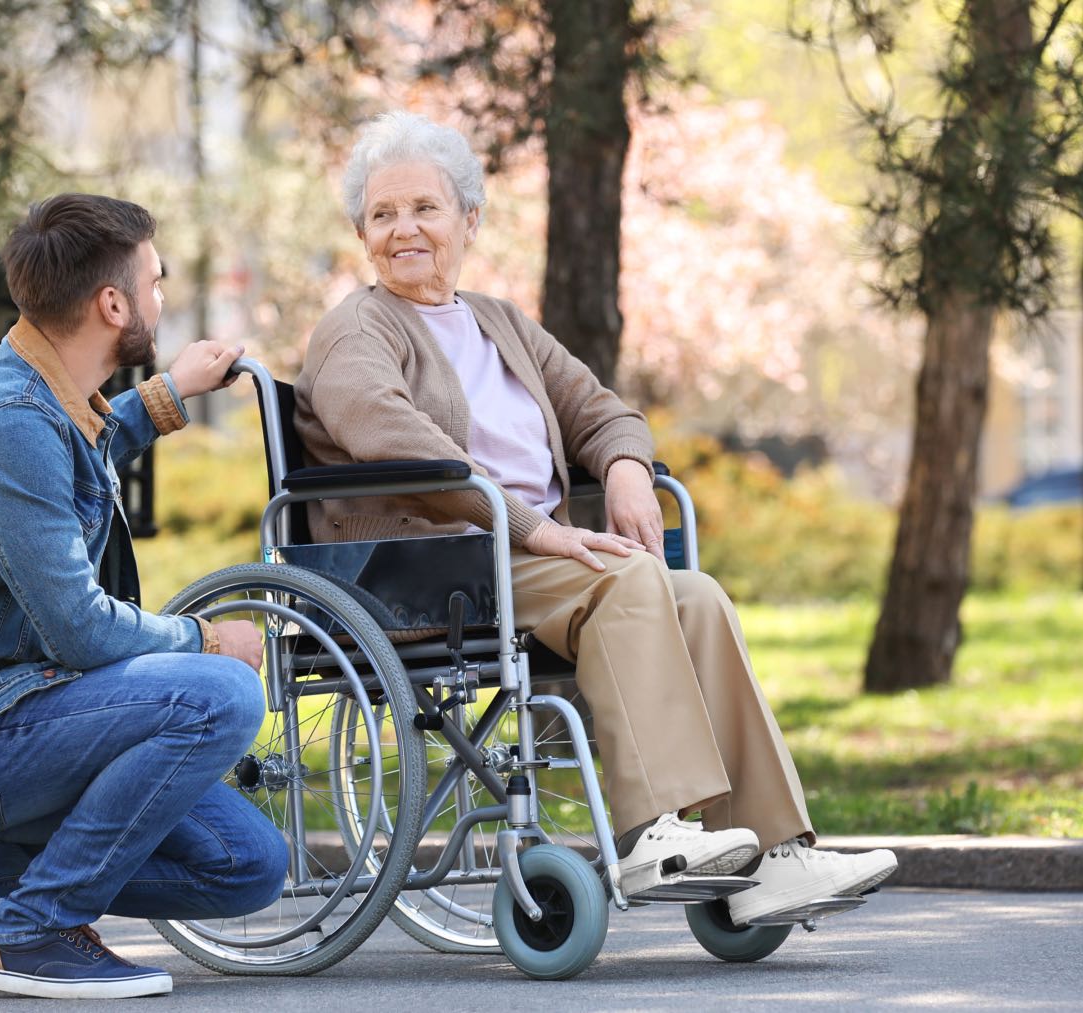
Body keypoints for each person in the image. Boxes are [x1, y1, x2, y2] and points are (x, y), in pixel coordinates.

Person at [294, 112, 898, 926]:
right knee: (624, 581)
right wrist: (534, 526)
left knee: (699, 596)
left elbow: (599, 408)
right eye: (382, 214)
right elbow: (392, 438)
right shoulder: (354, 331)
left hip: (522, 556)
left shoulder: (498, 321)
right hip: (429, 566)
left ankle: (776, 853)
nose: (404, 229)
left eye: (425, 209)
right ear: (362, 233)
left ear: (469, 219)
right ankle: (653, 831)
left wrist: (624, 470)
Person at [0, 194, 286, 999]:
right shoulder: (9, 419)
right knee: (219, 694)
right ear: (112, 304)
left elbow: (80, 452)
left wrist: (169, 394)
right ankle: (31, 931)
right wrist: (203, 639)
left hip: (11, 708)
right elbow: (82, 630)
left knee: (248, 867)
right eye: (154, 282)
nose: (161, 298)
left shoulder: (43, 398)